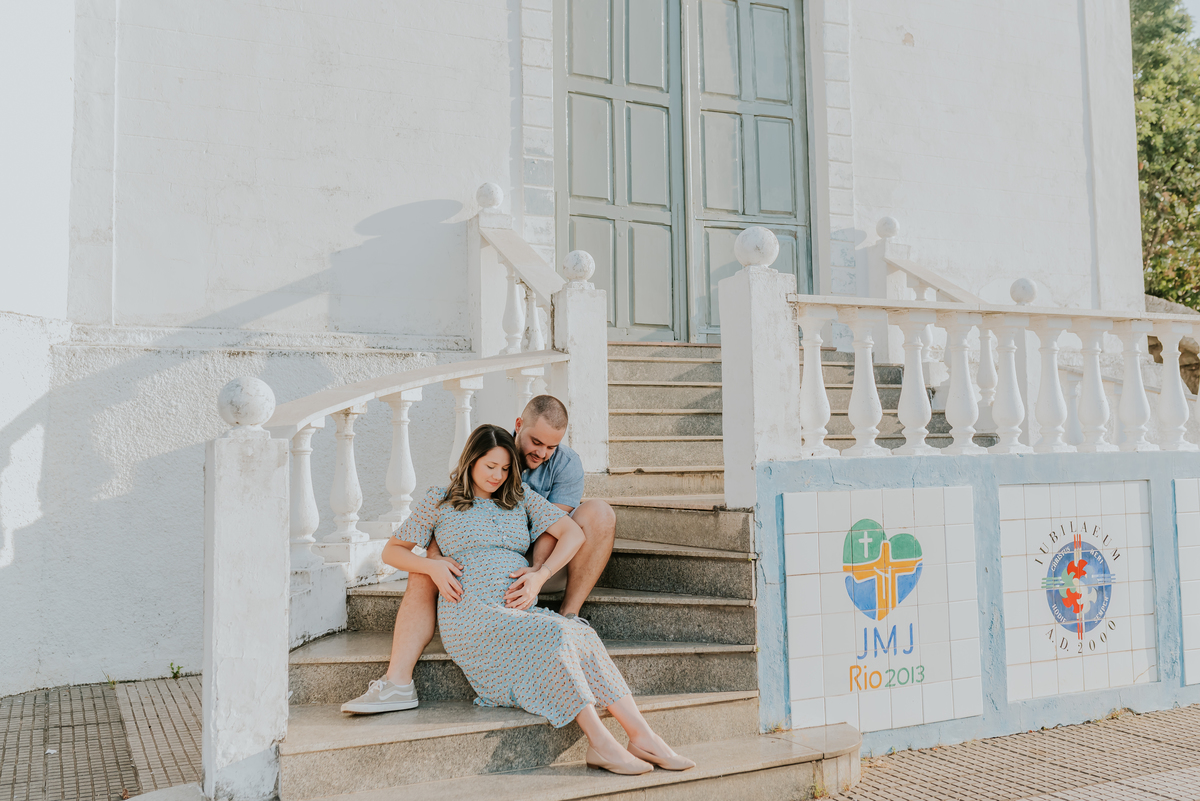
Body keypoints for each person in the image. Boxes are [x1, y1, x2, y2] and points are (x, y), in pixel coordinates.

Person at [364, 424, 693, 774]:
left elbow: (572, 533)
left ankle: (642, 736)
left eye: (505, 468)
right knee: (554, 634)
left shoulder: (519, 498)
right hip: (471, 616)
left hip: (516, 610)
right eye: (490, 466)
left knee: (581, 633)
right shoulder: (440, 498)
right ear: (471, 460)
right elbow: (392, 552)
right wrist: (431, 566)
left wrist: (540, 574)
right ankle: (600, 743)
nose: (498, 476)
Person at [341, 395, 616, 713]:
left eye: (551, 447)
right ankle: (398, 682)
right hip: (476, 568)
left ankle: (569, 620)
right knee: (425, 566)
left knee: (599, 512)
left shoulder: (560, 468)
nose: (542, 453)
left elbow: (551, 530)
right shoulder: (491, 451)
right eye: (536, 442)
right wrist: (433, 562)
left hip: (542, 562)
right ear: (518, 426)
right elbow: (451, 519)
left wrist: (539, 572)